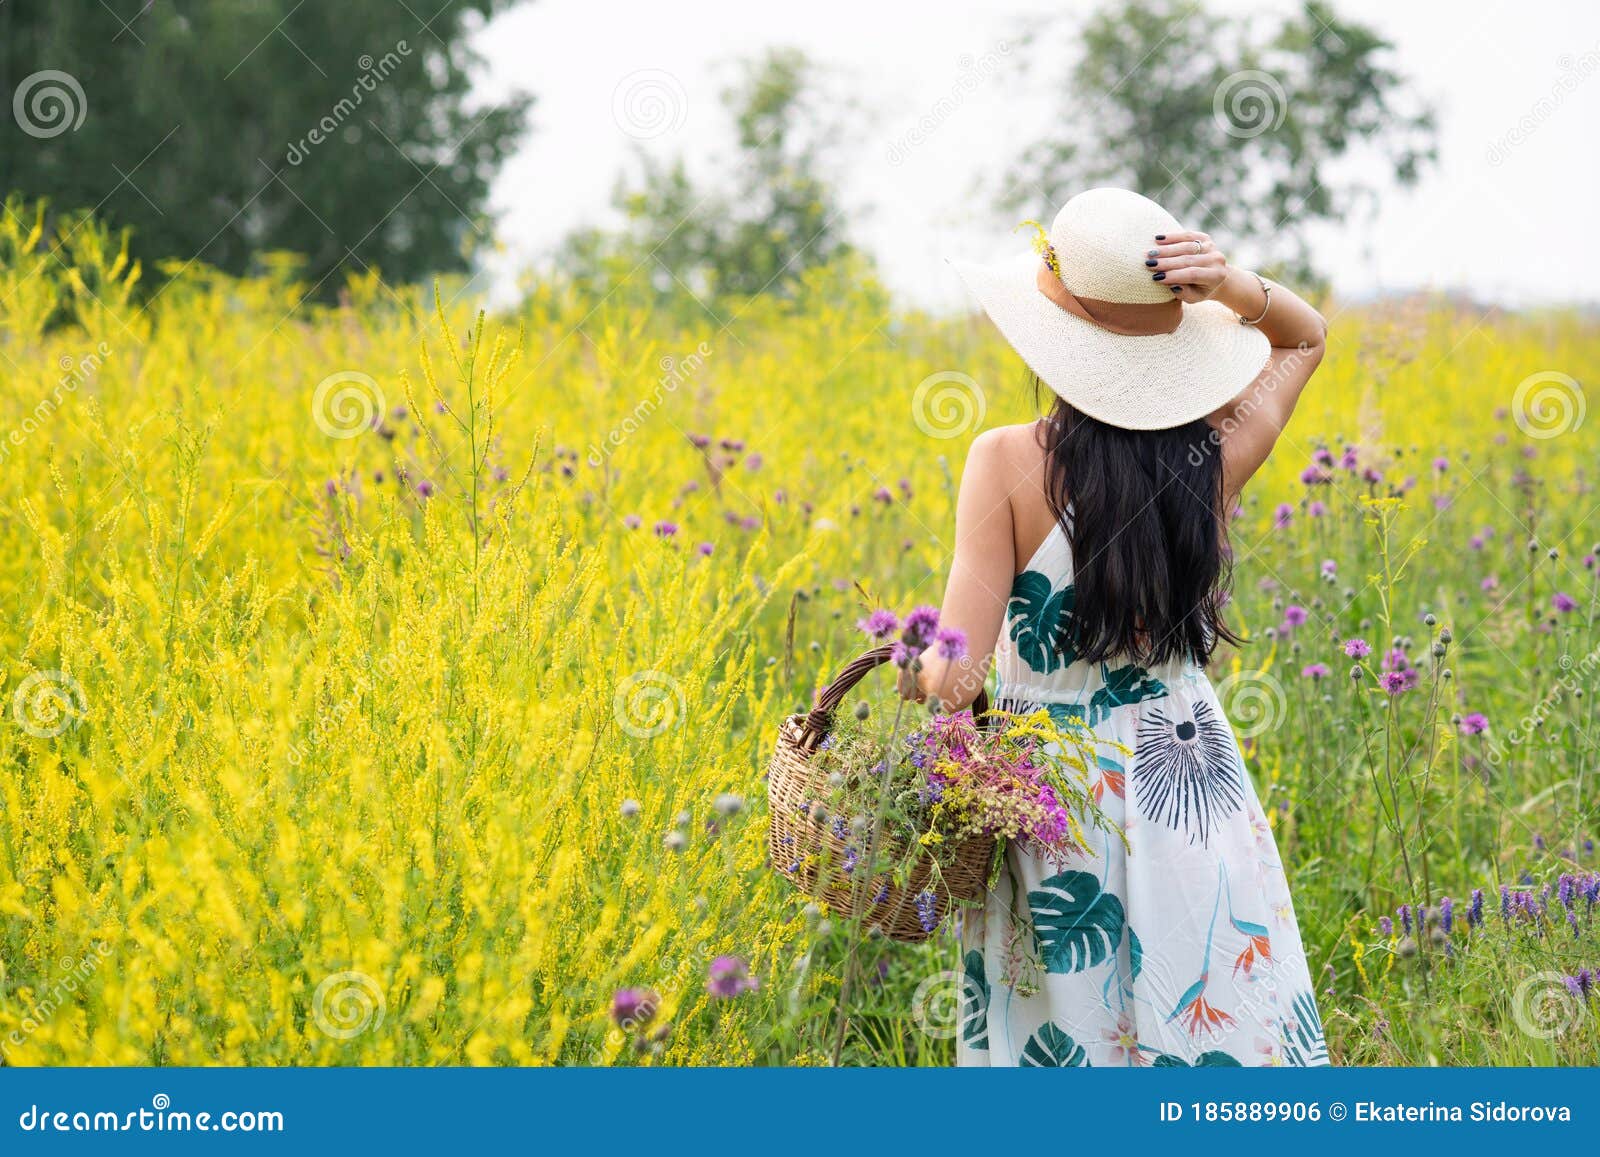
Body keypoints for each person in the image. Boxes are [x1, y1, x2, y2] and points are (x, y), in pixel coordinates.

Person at [909, 188, 1331, 1067]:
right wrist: (1230, 285)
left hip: (1055, 792)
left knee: (1075, 1037)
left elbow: (954, 679)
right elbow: (1305, 337)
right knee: (1205, 1008)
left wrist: (909, 660)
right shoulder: (1213, 452)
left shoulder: (1005, 461)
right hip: (1189, 774)